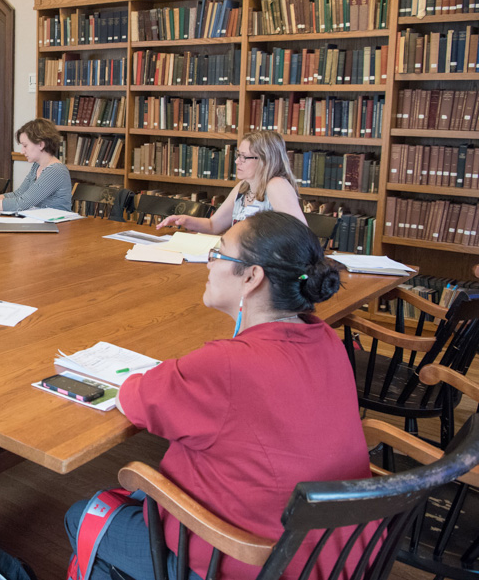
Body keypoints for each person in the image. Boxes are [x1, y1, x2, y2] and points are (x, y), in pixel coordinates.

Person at [65, 211, 371, 580]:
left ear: (252, 277)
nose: (209, 265)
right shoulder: (325, 338)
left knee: (80, 517)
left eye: (218, 254)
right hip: (339, 553)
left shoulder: (226, 364)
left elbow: (134, 398)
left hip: (261, 561)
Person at [157, 130, 305, 234]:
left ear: (265, 160)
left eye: (244, 157)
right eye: (238, 155)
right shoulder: (243, 187)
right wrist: (185, 220)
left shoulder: (276, 185)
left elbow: (300, 233)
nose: (236, 161)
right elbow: (214, 225)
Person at [0, 118, 71, 212]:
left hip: (56, 226)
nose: (22, 152)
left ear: (41, 145)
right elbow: (18, 194)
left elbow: (22, 202)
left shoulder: (56, 170)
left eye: (25, 146)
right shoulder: (37, 166)